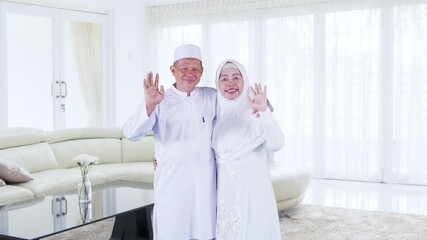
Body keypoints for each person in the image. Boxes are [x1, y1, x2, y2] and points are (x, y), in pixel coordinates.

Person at [123, 44, 217, 240]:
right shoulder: (160, 98)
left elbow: (236, 104)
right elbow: (131, 133)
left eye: (195, 69)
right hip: (172, 182)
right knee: (172, 230)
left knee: (204, 230)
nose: (189, 73)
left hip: (204, 184)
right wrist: (149, 104)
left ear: (202, 72)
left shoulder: (211, 96)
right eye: (183, 68)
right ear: (172, 70)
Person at [212, 60, 284, 240]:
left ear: (245, 80)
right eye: (224, 78)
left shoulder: (255, 108)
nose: (230, 83)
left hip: (253, 191)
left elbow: (277, 143)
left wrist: (265, 110)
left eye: (236, 77)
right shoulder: (215, 111)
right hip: (226, 191)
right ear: (217, 83)